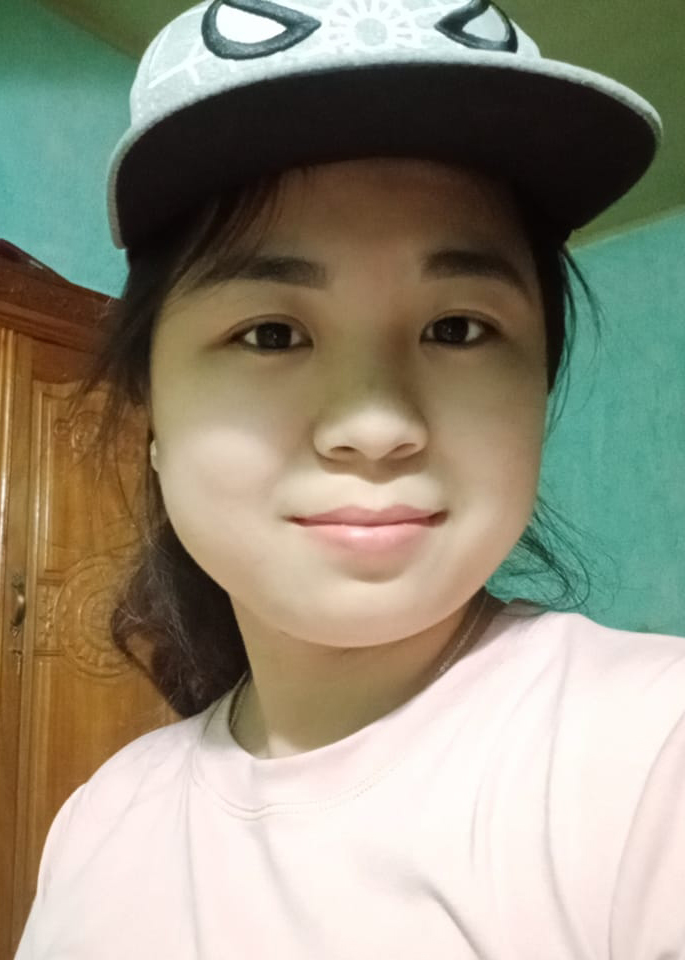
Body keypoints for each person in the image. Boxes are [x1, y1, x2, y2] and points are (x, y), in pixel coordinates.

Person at [15, 1, 685, 957]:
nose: (375, 427)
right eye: (270, 334)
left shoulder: (654, 764)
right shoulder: (98, 823)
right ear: (151, 412)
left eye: (456, 328)